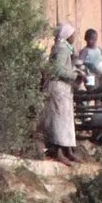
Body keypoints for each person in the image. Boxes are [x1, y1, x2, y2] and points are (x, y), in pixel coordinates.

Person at [42, 21, 79, 163]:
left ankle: (67, 150)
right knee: (59, 121)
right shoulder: (62, 49)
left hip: (63, 89)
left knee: (66, 120)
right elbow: (57, 70)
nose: (74, 36)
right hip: (58, 89)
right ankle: (59, 152)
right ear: (67, 35)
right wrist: (75, 76)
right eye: (72, 34)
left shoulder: (64, 48)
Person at [77, 27, 102, 94]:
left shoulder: (99, 49)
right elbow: (79, 64)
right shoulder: (85, 51)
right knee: (93, 93)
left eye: (95, 39)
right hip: (91, 75)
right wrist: (86, 67)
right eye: (91, 39)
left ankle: (101, 103)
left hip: (101, 75)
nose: (93, 41)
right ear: (86, 39)